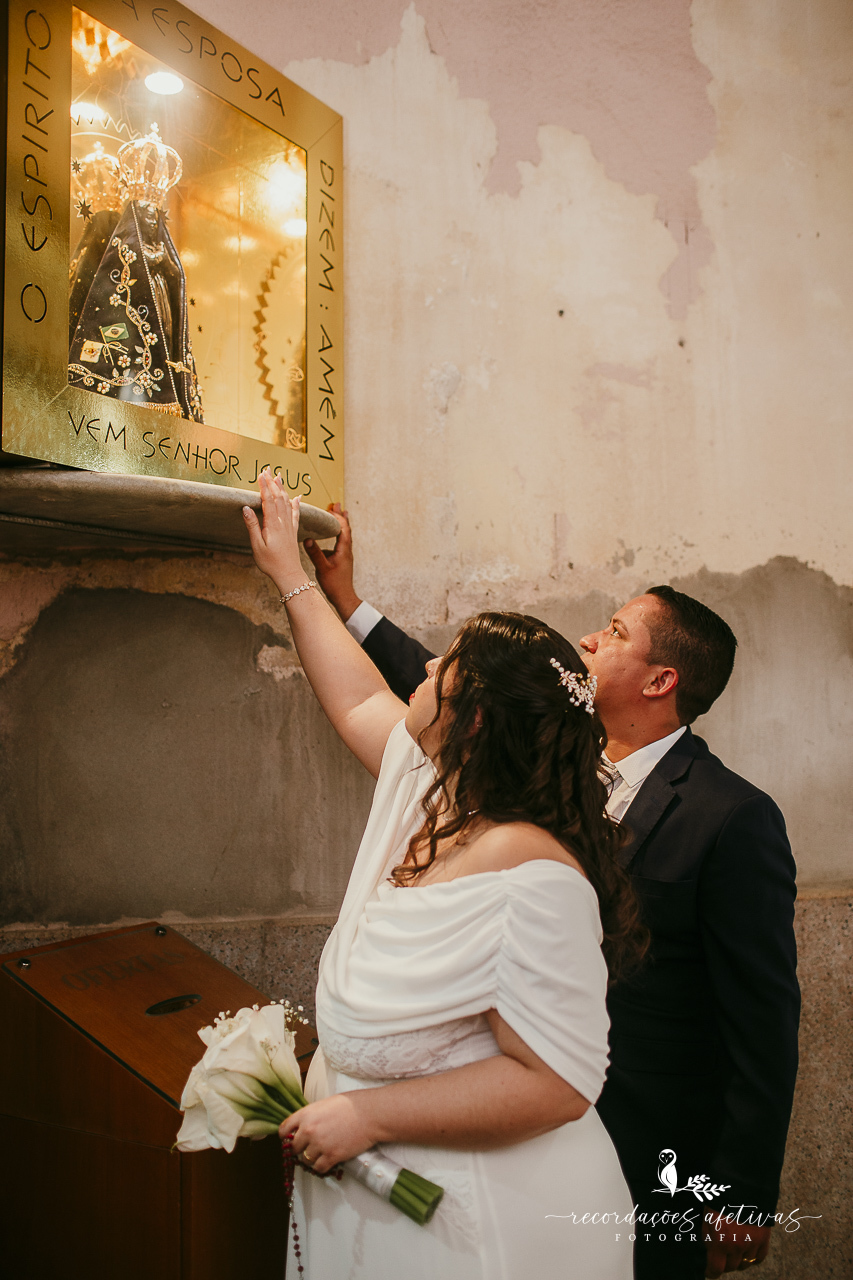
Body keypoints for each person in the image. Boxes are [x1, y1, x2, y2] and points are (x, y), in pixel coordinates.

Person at [303, 507, 800, 1280]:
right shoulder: (541, 767)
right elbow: (454, 693)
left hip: (644, 1133)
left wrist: (742, 1191)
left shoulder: (731, 816)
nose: (589, 640)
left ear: (659, 680)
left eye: (612, 631)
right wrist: (345, 598)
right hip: (500, 1123)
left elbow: (762, 1016)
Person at [243, 473, 647, 1279]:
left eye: (441, 670)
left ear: (472, 720)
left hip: (485, 1229)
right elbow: (358, 697)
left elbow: (558, 1086)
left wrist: (364, 1114)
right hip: (386, 1212)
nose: (420, 671)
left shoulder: (533, 871)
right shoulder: (433, 789)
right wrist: (290, 577)